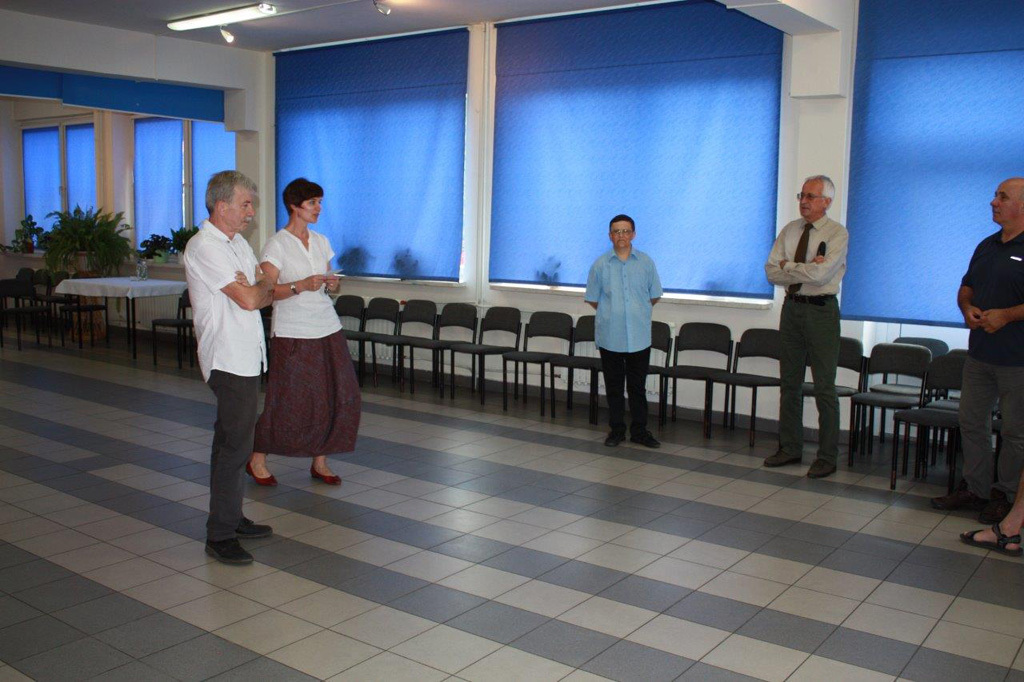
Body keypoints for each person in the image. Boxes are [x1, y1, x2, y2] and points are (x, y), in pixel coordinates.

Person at [245, 178, 361, 487]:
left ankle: (320, 460)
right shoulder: (277, 244)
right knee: (288, 398)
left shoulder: (322, 241)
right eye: (312, 203)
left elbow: (330, 284)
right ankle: (257, 457)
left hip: (327, 327)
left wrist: (332, 284)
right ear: (294, 206)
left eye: (320, 202)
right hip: (293, 332)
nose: (318, 208)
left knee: (337, 394)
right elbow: (268, 291)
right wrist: (300, 285)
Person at [183, 170, 274, 565]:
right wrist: (260, 286)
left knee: (231, 443)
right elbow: (252, 298)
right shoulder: (206, 246)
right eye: (245, 204)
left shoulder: (236, 243)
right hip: (227, 358)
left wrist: (260, 284)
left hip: (246, 355)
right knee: (236, 446)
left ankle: (231, 517)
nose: (251, 212)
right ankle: (219, 535)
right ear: (221, 207)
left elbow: (265, 286)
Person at [932, 177, 1024, 523]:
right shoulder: (987, 245)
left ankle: (1006, 496)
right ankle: (976, 489)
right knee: (971, 422)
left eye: (1003, 197)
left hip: (1017, 360)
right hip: (980, 354)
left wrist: (1007, 315)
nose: (993, 202)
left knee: (1015, 433)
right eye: (995, 195)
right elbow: (966, 287)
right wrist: (966, 307)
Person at [763, 175, 849, 479]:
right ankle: (790, 447)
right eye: (802, 195)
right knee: (790, 382)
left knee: (824, 387)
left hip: (822, 312)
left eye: (811, 196)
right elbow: (771, 272)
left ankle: (827, 456)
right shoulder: (790, 230)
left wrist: (789, 266)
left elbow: (822, 276)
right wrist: (806, 267)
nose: (804, 201)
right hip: (792, 309)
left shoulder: (837, 233)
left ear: (827, 202)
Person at [585, 214, 663, 448]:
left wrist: (635, 312)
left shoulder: (646, 263)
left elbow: (654, 295)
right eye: (617, 231)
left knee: (637, 387)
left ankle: (640, 431)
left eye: (626, 231)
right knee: (614, 387)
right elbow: (593, 298)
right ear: (610, 235)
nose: (621, 235)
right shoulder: (600, 265)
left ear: (633, 234)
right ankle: (617, 430)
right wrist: (614, 314)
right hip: (611, 336)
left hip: (639, 336)